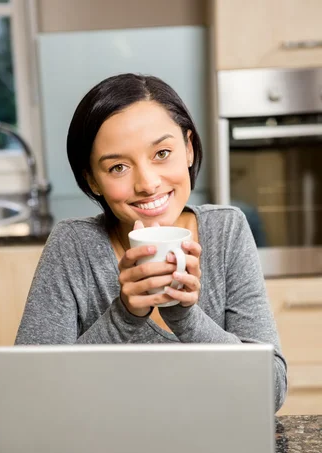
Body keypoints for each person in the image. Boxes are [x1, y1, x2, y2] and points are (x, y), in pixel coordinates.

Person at [15, 73, 287, 412]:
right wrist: (125, 315)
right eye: (117, 167)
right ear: (92, 180)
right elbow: (30, 396)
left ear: (188, 148)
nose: (147, 183)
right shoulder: (73, 246)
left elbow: (270, 391)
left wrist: (187, 317)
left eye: (162, 153)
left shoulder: (226, 230)